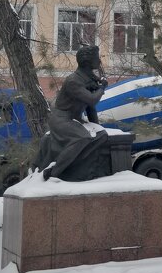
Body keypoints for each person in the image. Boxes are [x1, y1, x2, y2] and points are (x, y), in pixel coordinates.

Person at [36, 44, 112, 181]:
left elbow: (90, 107)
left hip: (73, 119)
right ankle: (54, 172)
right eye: (96, 58)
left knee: (100, 136)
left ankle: (77, 167)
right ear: (88, 61)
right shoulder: (74, 81)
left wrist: (97, 126)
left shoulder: (88, 79)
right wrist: (102, 88)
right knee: (82, 138)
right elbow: (92, 100)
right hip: (61, 119)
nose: (99, 61)